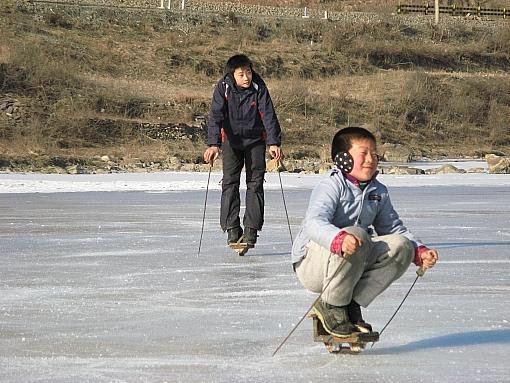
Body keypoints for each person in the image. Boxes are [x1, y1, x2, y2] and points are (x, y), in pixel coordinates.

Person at [291, 126, 438, 337]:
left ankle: (351, 304)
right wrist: (338, 239)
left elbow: (394, 229)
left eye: (374, 154)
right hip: (312, 264)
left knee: (401, 247)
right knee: (358, 235)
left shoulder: (378, 192)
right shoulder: (331, 185)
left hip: (349, 264)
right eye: (364, 154)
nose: (371, 159)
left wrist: (419, 251)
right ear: (343, 159)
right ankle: (332, 306)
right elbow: (313, 223)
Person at [203, 54, 283, 247]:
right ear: (232, 74)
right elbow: (215, 116)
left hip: (255, 140)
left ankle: (251, 230)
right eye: (241, 74)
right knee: (229, 183)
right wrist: (214, 144)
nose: (246, 77)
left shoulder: (258, 86)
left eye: (248, 72)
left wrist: (274, 142)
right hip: (231, 140)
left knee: (255, 184)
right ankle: (232, 229)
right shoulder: (223, 87)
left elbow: (268, 114)